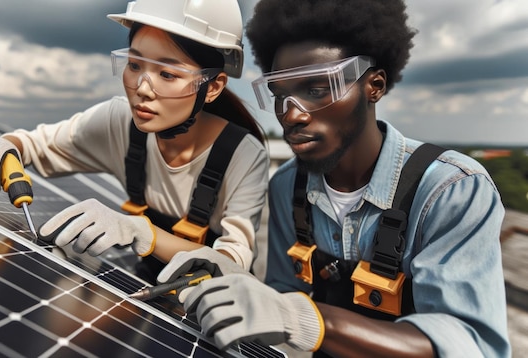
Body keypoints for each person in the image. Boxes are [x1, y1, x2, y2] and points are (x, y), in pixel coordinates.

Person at [156, 0, 512, 356]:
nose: (292, 114)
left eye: (316, 90)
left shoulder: (450, 190)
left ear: (374, 86)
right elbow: (284, 297)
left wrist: (308, 320)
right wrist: (236, 281)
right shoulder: (288, 187)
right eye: (281, 95)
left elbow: (469, 344)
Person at [0, 0, 268, 284]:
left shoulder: (243, 155)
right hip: (149, 286)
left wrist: (143, 233)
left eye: (167, 74)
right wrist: (4, 146)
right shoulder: (118, 121)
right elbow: (37, 145)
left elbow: (233, 266)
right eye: (134, 65)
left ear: (212, 87)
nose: (143, 88)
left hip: (213, 304)